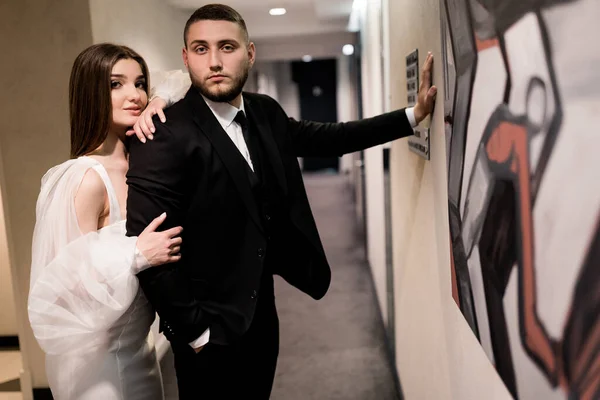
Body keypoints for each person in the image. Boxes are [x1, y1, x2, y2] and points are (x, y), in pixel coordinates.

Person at [125, 4, 437, 399]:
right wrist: (195, 333)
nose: (215, 61)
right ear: (186, 58)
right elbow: (147, 249)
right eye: (201, 49)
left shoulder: (265, 113)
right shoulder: (163, 135)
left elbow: (333, 138)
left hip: (262, 316)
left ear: (250, 53)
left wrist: (413, 115)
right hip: (208, 330)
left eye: (227, 47)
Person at [27, 43, 183, 400]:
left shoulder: (138, 164)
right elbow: (68, 287)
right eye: (116, 84)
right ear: (90, 93)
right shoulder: (83, 176)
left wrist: (160, 102)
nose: (135, 95)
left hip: (139, 348)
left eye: (140, 83)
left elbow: (185, 82)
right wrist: (136, 253)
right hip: (98, 363)